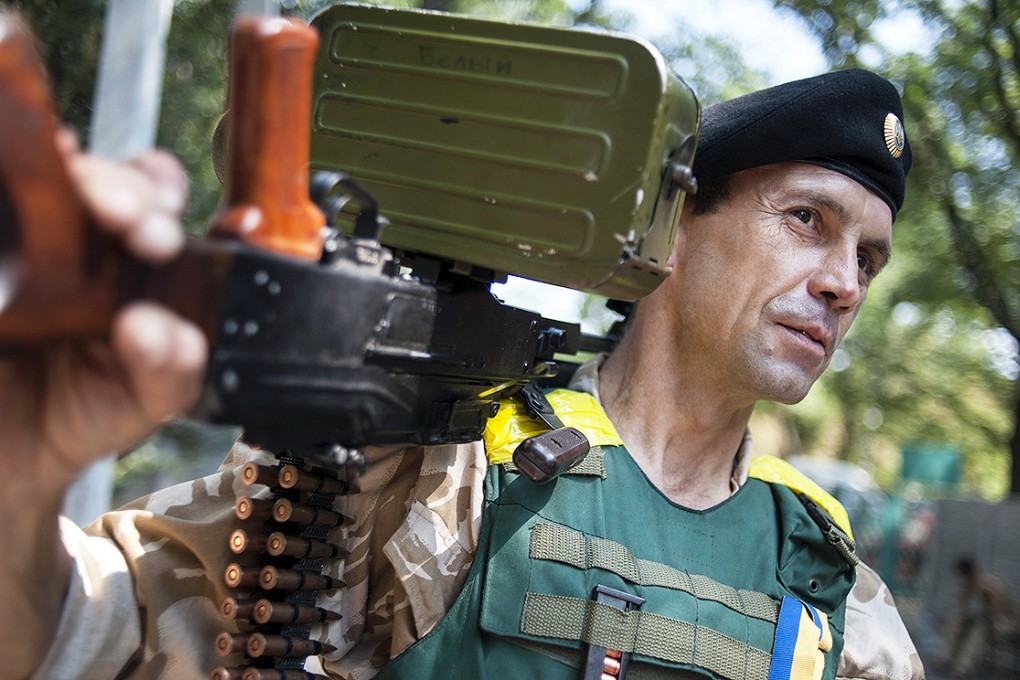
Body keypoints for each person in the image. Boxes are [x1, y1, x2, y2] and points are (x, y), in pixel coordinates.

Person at [0, 68, 925, 680]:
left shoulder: (829, 573)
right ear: (673, 229)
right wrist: (22, 469)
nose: (843, 283)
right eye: (807, 219)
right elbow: (89, 632)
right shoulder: (449, 470)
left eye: (869, 260)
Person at [939, 556, 1018, 678]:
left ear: (968, 573)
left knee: (979, 631)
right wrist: (961, 618)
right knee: (956, 621)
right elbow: (962, 607)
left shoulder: (988, 584)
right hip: (991, 618)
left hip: (1010, 621)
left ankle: (962, 669)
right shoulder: (971, 583)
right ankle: (946, 659)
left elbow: (997, 612)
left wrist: (989, 623)